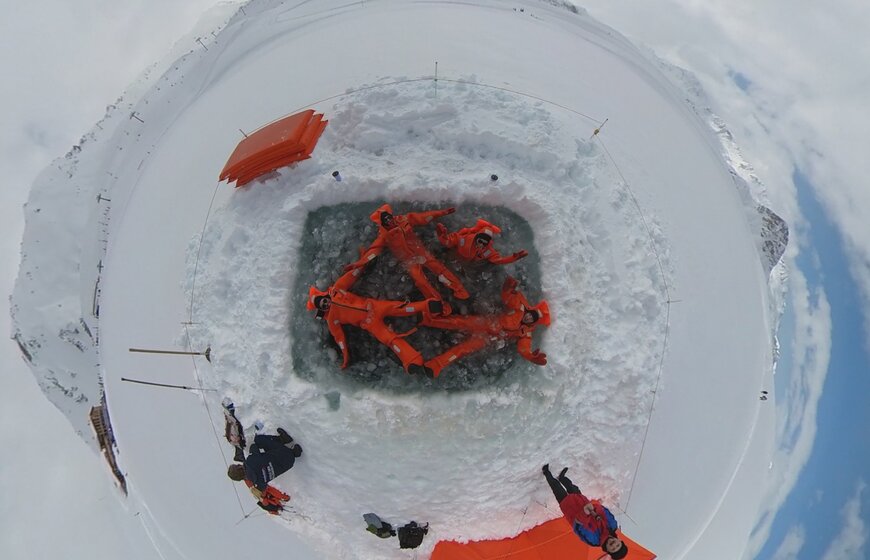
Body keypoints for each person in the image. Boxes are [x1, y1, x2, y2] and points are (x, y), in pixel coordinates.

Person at [308, 266, 444, 376]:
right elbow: (339, 338)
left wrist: (366, 260)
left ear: (324, 296)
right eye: (323, 305)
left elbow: (352, 275)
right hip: (369, 323)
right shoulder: (332, 319)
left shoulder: (337, 290)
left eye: (324, 300)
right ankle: (411, 359)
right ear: (322, 310)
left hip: (373, 306)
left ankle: (426, 306)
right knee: (389, 338)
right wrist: (345, 357)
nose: (326, 303)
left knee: (398, 307)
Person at [420, 276, 550, 377]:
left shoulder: (526, 332)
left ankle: (436, 365)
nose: (529, 318)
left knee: (462, 349)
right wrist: (507, 288)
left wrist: (530, 356)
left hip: (489, 339)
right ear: (530, 310)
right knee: (458, 322)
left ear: (534, 322)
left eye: (532, 319)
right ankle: (428, 320)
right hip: (487, 323)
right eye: (530, 315)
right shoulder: (520, 306)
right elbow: (507, 298)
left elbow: (524, 348)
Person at [345, 203, 469, 302]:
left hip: (421, 252)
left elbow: (422, 217)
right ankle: (437, 303)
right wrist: (359, 263)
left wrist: (442, 212)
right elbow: (373, 250)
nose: (389, 220)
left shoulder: (404, 219)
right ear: (382, 224)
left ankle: (460, 290)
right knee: (421, 282)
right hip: (408, 261)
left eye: (389, 217)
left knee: (439, 269)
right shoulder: (383, 236)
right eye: (386, 220)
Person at [542, 464, 628, 559]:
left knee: (557, 489)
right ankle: (562, 478)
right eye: (617, 545)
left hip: (571, 510)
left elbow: (579, 527)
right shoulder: (612, 525)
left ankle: (546, 472)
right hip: (584, 503)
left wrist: (585, 514)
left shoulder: (594, 540)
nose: (613, 545)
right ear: (620, 541)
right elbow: (605, 511)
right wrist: (594, 509)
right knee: (573, 488)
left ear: (608, 550)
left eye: (613, 549)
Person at [227, 428, 302, 514]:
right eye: (237, 465)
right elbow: (254, 447)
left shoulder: (257, 484)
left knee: (268, 461)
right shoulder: (250, 462)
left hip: (289, 463)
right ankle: (283, 439)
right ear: (239, 467)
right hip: (284, 453)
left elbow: (261, 492)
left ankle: (295, 452)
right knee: (258, 440)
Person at [435, 219, 528, 265]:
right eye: (480, 240)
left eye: (484, 243)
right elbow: (448, 242)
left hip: (468, 264)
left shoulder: (488, 251)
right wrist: (442, 235)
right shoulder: (463, 239)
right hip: (451, 258)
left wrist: (513, 258)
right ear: (476, 237)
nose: (481, 244)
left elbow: (498, 260)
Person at [221, 398, 246, 462]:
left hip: (231, 411)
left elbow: (232, 424)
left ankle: (230, 409)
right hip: (231, 413)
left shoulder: (234, 440)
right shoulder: (234, 441)